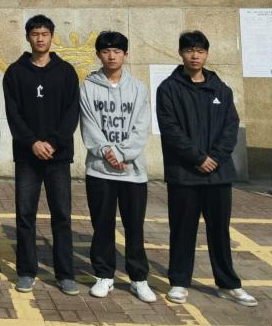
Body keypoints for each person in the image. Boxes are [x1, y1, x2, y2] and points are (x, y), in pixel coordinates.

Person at [157, 31, 257, 308]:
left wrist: (215, 157)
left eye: (200, 51)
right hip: (184, 174)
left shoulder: (220, 89)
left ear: (207, 54)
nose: (195, 56)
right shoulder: (169, 89)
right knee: (182, 230)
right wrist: (198, 158)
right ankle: (179, 282)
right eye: (190, 50)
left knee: (219, 232)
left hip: (218, 174)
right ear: (181, 53)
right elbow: (170, 129)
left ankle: (228, 284)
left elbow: (230, 127)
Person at [3, 14, 80, 296]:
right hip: (27, 156)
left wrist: (55, 143)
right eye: (35, 34)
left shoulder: (66, 71)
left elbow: (72, 111)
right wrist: (32, 142)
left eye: (45, 34)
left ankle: (65, 274)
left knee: (62, 215)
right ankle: (26, 271)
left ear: (52, 37)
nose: (40, 38)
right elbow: (13, 113)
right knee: (25, 215)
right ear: (28, 37)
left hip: (59, 157)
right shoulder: (15, 72)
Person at [79, 31, 155, 303]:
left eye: (117, 51)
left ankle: (138, 279)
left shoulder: (139, 88)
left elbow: (141, 127)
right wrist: (106, 152)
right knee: (102, 226)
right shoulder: (87, 87)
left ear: (125, 54)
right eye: (106, 51)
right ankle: (104, 275)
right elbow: (88, 124)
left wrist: (121, 152)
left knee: (134, 228)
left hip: (133, 172)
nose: (111, 56)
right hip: (99, 170)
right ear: (98, 54)